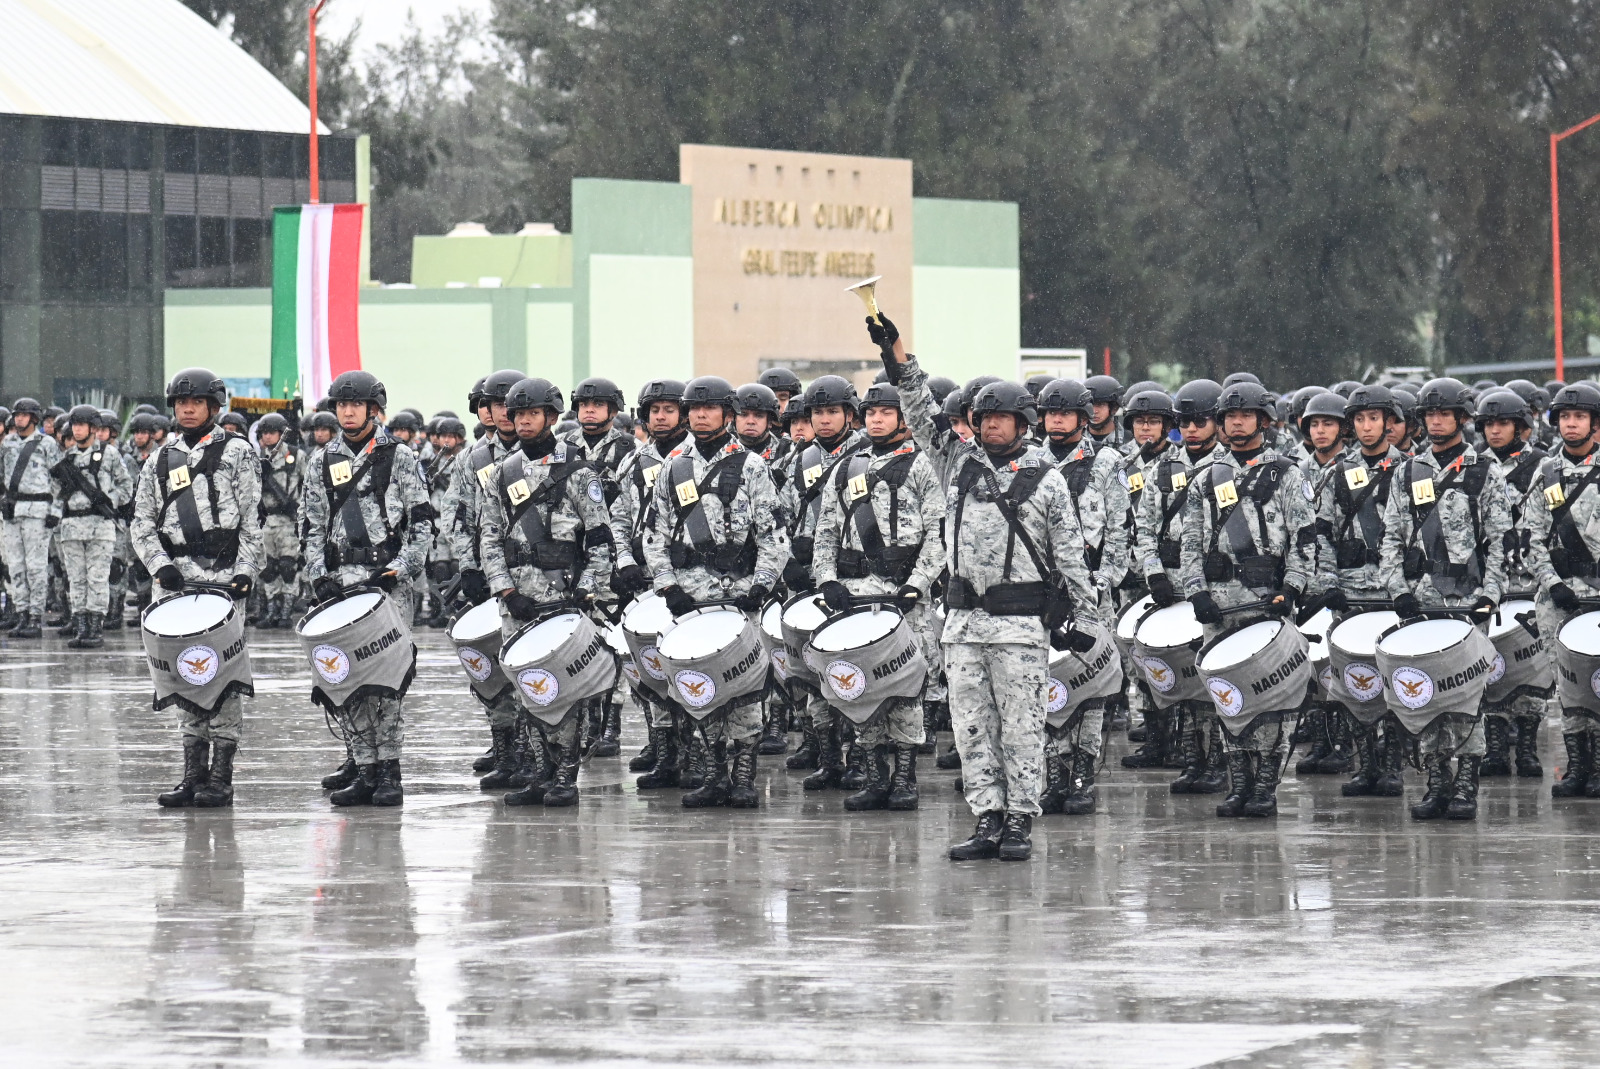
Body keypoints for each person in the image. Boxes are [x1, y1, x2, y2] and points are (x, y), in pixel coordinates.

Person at [644, 376, 789, 808]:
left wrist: (760, 585)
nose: (701, 416)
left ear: (728, 415)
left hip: (739, 595)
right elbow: (654, 534)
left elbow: (773, 534)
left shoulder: (752, 466)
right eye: (694, 409)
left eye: (710, 409)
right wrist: (667, 585)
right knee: (700, 686)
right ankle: (713, 775)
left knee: (744, 688)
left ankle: (743, 776)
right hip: (689, 598)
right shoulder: (673, 467)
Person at [1179, 381, 1319, 819]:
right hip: (1219, 604)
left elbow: (1304, 538)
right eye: (1230, 417)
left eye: (1245, 416)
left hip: (1267, 599)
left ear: (1263, 420)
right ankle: (1238, 782)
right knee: (1229, 694)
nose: (1237, 423)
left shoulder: (1287, 473)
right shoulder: (1206, 477)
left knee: (1273, 697)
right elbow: (1190, 542)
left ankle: (1265, 786)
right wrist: (1196, 591)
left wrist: (1293, 587)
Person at [1378, 377, 1512, 821]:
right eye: (1430, 414)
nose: (1436, 421)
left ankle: (1466, 784)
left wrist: (1490, 595)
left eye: (1445, 413)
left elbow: (1500, 541)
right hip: (1420, 600)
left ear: (1462, 418)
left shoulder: (1484, 471)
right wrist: (1397, 590)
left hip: (1468, 600)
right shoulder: (1407, 472)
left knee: (1467, 696)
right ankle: (1437, 781)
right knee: (1428, 696)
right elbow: (1391, 538)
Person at [810, 381, 946, 810]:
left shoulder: (924, 465)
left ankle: (905, 778)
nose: (876, 419)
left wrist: (918, 583)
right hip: (854, 595)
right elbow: (825, 529)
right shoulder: (847, 468)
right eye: (870, 413)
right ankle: (874, 777)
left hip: (904, 597)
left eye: (886, 412)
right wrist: (826, 578)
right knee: (861, 688)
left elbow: (939, 533)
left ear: (904, 418)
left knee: (905, 689)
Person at [302, 371, 434, 808]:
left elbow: (421, 522)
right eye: (341, 404)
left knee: (386, 680)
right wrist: (317, 573)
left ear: (374, 409)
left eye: (356, 404)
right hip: (341, 583)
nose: (348, 412)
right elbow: (312, 525)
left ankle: (390, 773)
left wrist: (400, 568)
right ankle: (364, 770)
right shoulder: (321, 461)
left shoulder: (399, 457)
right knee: (348, 679)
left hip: (387, 585)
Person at [131, 368, 262, 808]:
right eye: (181, 403)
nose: (187, 410)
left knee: (222, 677)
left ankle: (221, 777)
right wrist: (160, 565)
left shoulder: (238, 452)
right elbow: (141, 523)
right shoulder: (159, 459)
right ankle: (192, 775)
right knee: (183, 676)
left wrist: (246, 570)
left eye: (197, 402)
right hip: (175, 584)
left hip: (224, 583)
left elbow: (252, 519)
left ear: (214, 407)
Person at [479, 377, 613, 807]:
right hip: (518, 603)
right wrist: (505, 591)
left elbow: (600, 538)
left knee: (565, 691)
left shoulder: (578, 471)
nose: (523, 421)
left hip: (564, 598)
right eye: (518, 414)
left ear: (551, 417)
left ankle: (566, 777)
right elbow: (489, 537)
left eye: (532, 414)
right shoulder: (502, 473)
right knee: (527, 688)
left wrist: (586, 591)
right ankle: (539, 773)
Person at [1034, 377, 1130, 811]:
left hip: (1090, 590)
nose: (1057, 420)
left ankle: (1083, 774)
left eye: (1066, 413)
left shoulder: (1107, 463)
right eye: (1051, 413)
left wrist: (1104, 580)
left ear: (1083, 417)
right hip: (1042, 592)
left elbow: (1120, 529)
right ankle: (1054, 772)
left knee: (1090, 684)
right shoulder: (1030, 461)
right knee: (1048, 680)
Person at [1314, 384, 1411, 798]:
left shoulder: (1411, 471)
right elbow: (1321, 534)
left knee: (1394, 681)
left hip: (1394, 594)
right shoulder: (1336, 474)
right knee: (1356, 683)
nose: (1367, 426)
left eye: (1374, 418)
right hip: (1351, 593)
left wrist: (1406, 587)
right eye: (1359, 419)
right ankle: (1365, 764)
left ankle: (1393, 765)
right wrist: (1328, 584)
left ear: (1390, 423)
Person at [1134, 379, 1229, 791]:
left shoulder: (1229, 469)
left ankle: (1219, 763)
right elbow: (1143, 527)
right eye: (1184, 422)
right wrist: (1153, 572)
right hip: (1168, 587)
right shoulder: (1163, 469)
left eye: (1200, 421)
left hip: (1211, 588)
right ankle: (1192, 760)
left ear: (1217, 423)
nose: (1191, 429)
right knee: (1182, 684)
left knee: (1212, 680)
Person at [611, 379, 695, 787]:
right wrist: (624, 560)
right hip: (643, 580)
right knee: (650, 668)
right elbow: (617, 519)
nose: (660, 418)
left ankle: (697, 754)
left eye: (668, 410)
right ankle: (664, 753)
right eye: (654, 411)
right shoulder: (633, 463)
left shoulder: (697, 458)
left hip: (691, 580)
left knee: (689, 664)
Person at [1523, 383, 1600, 799]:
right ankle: (1577, 765)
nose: (1571, 424)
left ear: (1594, 423)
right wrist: (1552, 583)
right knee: (1566, 682)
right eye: (1565, 417)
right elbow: (1529, 537)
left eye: (1579, 417)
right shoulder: (1546, 472)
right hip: (1558, 598)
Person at [447, 369, 525, 777]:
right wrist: (468, 566)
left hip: (532, 575)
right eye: (493, 404)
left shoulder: (543, 452)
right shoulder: (473, 458)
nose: (502, 412)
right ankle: (504, 745)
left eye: (509, 404)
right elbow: (457, 517)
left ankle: (531, 750)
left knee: (527, 662)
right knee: (490, 665)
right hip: (486, 571)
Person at [1472, 389, 1548, 779]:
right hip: (1488, 581)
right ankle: (1496, 746)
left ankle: (1528, 747)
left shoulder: (1542, 466)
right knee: (1490, 668)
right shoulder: (1472, 466)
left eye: (1503, 423)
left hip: (1530, 580)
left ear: (1520, 426)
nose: (1495, 430)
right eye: (1488, 424)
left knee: (1533, 671)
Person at [562, 376, 638, 756]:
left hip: (611, 557)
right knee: (580, 642)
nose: (589, 411)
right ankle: (588, 721)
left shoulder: (628, 450)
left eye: (597, 405)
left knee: (613, 642)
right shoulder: (563, 448)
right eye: (583, 405)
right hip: (573, 557)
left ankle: (611, 725)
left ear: (613, 410)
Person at [733, 382, 795, 754]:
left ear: (771, 419)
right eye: (744, 415)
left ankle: (778, 722)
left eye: (759, 415)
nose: (751, 422)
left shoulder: (790, 455)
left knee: (777, 648)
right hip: (738, 568)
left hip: (780, 563)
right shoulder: (725, 457)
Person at [49, 404, 133, 648]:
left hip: (100, 525)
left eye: (81, 425)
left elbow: (126, 486)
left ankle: (95, 628)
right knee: (76, 578)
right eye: (74, 425)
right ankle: (81, 626)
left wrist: (109, 499)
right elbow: (55, 492)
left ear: (94, 428)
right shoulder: (67, 458)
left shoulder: (110, 454)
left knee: (97, 578)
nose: (76, 430)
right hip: (72, 526)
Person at [2, 397, 63, 638]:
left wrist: (55, 511)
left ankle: (35, 617)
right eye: (17, 415)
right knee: (15, 566)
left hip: (38, 511)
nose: (19, 419)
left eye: (24, 415)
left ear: (34, 418)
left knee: (36, 567)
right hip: (13, 511)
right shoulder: (7, 443)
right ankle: (22, 613)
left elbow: (60, 480)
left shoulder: (46, 444)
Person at [253, 413, 302, 629]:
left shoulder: (296, 456)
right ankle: (272, 610)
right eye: (264, 433)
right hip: (266, 519)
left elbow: (309, 483)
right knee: (268, 568)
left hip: (288, 519)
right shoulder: (256, 459)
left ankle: (286, 611)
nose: (268, 436)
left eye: (272, 432)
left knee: (288, 566)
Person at [422, 416, 466, 627]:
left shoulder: (466, 460)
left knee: (458, 567)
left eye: (451, 436)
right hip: (437, 523)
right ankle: (442, 609)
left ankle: (458, 608)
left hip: (459, 523)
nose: (447, 440)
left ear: (460, 438)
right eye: (443, 436)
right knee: (439, 568)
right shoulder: (429, 464)